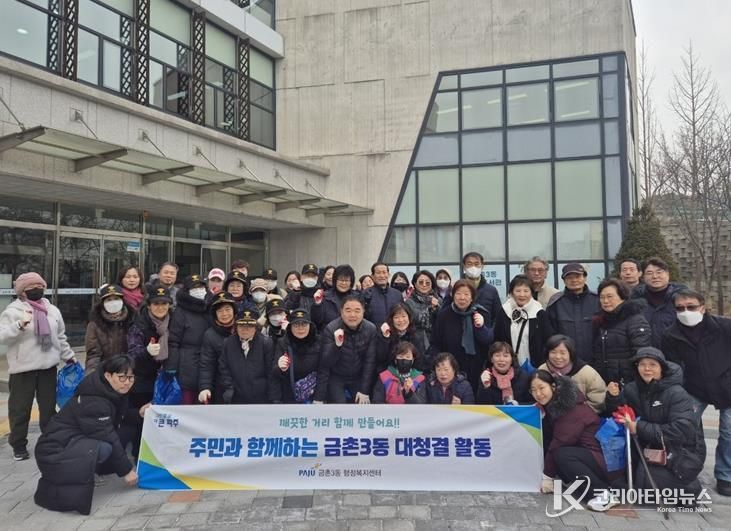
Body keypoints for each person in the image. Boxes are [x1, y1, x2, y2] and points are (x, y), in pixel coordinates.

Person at [33, 355, 140, 515]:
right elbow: (107, 434)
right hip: (55, 450)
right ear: (108, 375)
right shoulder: (94, 399)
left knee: (126, 431)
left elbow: (120, 418)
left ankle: (94, 469)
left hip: (72, 440)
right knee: (105, 447)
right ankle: (84, 471)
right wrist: (126, 471)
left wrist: (139, 413)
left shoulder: (108, 389)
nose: (127, 382)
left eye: (131, 378)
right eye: (122, 377)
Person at [606, 348, 706, 498]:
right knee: (620, 480)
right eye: (642, 364)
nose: (647, 369)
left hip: (679, 451)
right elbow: (621, 412)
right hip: (648, 445)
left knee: (642, 481)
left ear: (661, 368)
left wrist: (638, 427)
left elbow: (681, 431)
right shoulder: (632, 388)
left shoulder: (676, 393)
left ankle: (688, 488)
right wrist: (613, 397)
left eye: (652, 364)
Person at [661, 289, 731, 496]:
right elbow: (672, 366)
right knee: (683, 428)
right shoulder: (670, 334)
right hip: (693, 389)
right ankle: (685, 470)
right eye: (680, 308)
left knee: (729, 432)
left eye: (691, 307)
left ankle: (726, 475)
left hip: (727, 386)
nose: (686, 312)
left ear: (702, 307)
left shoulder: (725, 327)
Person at [0, 272, 76, 461]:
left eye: (40, 286)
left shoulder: (52, 310)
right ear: (22, 291)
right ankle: (18, 445)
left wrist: (69, 357)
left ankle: (50, 441)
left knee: (49, 409)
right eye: (31, 287)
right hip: (22, 369)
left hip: (48, 367)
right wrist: (19, 325)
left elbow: (60, 337)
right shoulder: (13, 311)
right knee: (20, 410)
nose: (37, 289)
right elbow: (2, 336)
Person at [531, 370, 612, 511]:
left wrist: (547, 476)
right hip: (587, 456)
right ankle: (578, 484)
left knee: (562, 454)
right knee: (559, 452)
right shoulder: (554, 406)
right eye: (533, 390)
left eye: (541, 388)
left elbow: (558, 442)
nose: (538, 393)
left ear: (553, 387)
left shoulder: (571, 409)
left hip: (603, 461)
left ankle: (602, 494)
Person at [125, 286, 173, 457]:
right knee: (142, 422)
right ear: (149, 305)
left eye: (164, 303)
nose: (160, 307)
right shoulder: (140, 324)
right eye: (156, 304)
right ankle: (139, 457)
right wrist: (145, 351)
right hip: (143, 381)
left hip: (167, 380)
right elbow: (132, 354)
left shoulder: (174, 322)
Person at [429, 279, 493, 393]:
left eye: (466, 294)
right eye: (458, 293)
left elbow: (488, 341)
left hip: (477, 368)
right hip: (451, 369)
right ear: (453, 295)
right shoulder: (444, 315)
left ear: (472, 297)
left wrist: (481, 327)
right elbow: (435, 343)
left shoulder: (481, 313)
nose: (462, 298)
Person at [317, 295, 378, 404]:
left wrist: (364, 391)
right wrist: (336, 346)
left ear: (363, 311)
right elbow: (325, 363)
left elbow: (370, 362)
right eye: (348, 310)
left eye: (357, 311)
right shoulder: (331, 329)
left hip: (358, 375)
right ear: (341, 311)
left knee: (362, 405)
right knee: (339, 406)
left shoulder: (371, 329)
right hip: (336, 376)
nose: (352, 315)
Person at [591, 278, 651, 384]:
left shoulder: (635, 320)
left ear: (622, 297)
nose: (605, 301)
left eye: (610, 296)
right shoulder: (600, 321)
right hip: (605, 381)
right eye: (602, 297)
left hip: (628, 381)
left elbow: (641, 354)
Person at [494, 274, 553, 373]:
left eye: (526, 291)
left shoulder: (539, 313)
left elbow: (548, 340)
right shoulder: (504, 311)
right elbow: (497, 339)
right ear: (511, 292)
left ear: (531, 293)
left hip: (535, 367)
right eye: (518, 291)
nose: (522, 295)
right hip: (508, 368)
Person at [168, 274, 210, 405]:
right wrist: (172, 366)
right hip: (187, 366)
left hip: (208, 361)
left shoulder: (210, 307)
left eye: (201, 287)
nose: (199, 290)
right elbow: (173, 341)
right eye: (194, 288)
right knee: (187, 404)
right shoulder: (180, 312)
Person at [538, 335, 606, 413]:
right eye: (553, 352)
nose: (558, 357)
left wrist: (575, 414)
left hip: (580, 416)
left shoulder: (587, 373)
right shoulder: (542, 370)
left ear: (571, 353)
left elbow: (598, 401)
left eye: (563, 353)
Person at [219, 309, 273, 404]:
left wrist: (271, 396)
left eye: (249, 326)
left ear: (255, 327)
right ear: (236, 326)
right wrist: (229, 388)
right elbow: (224, 368)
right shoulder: (228, 343)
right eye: (241, 325)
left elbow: (270, 372)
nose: (245, 329)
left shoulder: (266, 343)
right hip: (236, 396)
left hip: (260, 397)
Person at [547, 263, 599, 361]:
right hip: (565, 361)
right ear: (564, 280)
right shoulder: (556, 303)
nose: (574, 280)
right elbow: (551, 336)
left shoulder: (597, 300)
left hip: (595, 360)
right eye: (569, 277)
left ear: (585, 278)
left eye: (578, 276)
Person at [270, 309, 323, 404]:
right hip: (290, 398)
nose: (300, 328)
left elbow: (324, 372)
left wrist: (319, 397)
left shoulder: (319, 342)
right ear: (290, 327)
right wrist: (279, 368)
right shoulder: (283, 343)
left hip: (314, 398)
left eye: (304, 324)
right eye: (296, 325)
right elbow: (274, 375)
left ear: (310, 326)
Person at [632, 257, 686, 348]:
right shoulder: (635, 299)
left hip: (676, 352)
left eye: (659, 272)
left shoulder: (682, 298)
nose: (655, 276)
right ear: (643, 276)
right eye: (649, 273)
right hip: (644, 353)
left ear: (668, 274)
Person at [85, 284, 135, 373]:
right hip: (105, 371)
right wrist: (91, 376)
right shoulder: (95, 324)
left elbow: (136, 350)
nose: (113, 303)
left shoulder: (133, 319)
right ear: (102, 303)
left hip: (129, 371)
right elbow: (93, 355)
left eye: (116, 299)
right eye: (109, 300)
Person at [197, 292, 237, 405]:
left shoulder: (244, 328)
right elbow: (206, 364)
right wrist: (205, 387)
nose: (224, 314)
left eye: (227, 309)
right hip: (221, 385)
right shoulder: (210, 335)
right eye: (220, 311)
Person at [442, 252, 501, 326]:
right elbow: (443, 313)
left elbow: (498, 317)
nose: (473, 267)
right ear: (464, 266)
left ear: (482, 266)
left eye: (476, 264)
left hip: (484, 331)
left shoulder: (491, 290)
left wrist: (490, 331)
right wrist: (450, 295)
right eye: (469, 264)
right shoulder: (455, 287)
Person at [377, 302, 430, 374]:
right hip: (389, 375)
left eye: (403, 316)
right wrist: (385, 338)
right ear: (391, 320)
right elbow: (381, 359)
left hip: (412, 375)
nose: (401, 320)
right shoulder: (385, 333)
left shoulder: (417, 335)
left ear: (409, 317)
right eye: (396, 317)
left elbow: (420, 361)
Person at [311, 264, 358, 330]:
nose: (343, 283)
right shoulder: (325, 296)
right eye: (341, 280)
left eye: (347, 280)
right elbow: (317, 321)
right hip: (329, 333)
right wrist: (317, 304)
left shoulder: (357, 297)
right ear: (335, 280)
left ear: (351, 282)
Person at [405, 270, 440, 349]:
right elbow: (416, 319)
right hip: (416, 341)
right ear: (415, 284)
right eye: (421, 282)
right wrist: (430, 308)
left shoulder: (438, 300)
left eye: (427, 283)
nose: (424, 285)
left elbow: (442, 320)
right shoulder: (409, 302)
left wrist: (436, 308)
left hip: (436, 340)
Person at [363, 262, 403, 327]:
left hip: (394, 331)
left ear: (388, 275)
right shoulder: (365, 294)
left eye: (384, 272)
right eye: (378, 273)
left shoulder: (397, 294)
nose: (382, 276)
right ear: (372, 276)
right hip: (373, 332)